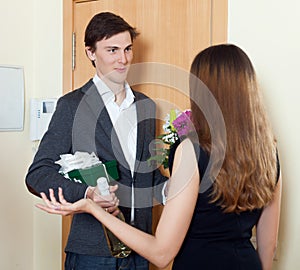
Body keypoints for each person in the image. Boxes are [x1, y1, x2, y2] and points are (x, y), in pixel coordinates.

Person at [36, 44, 282, 270]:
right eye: (112, 50)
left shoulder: (191, 151)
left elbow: (162, 254)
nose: (122, 58)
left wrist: (93, 208)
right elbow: (268, 247)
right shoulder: (269, 154)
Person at [26, 12, 167, 270]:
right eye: (112, 50)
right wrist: (87, 193)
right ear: (91, 53)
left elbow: (146, 174)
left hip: (142, 249)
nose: (122, 59)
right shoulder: (72, 106)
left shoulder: (146, 106)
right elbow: (38, 174)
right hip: (93, 254)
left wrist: (179, 190)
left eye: (127, 49)